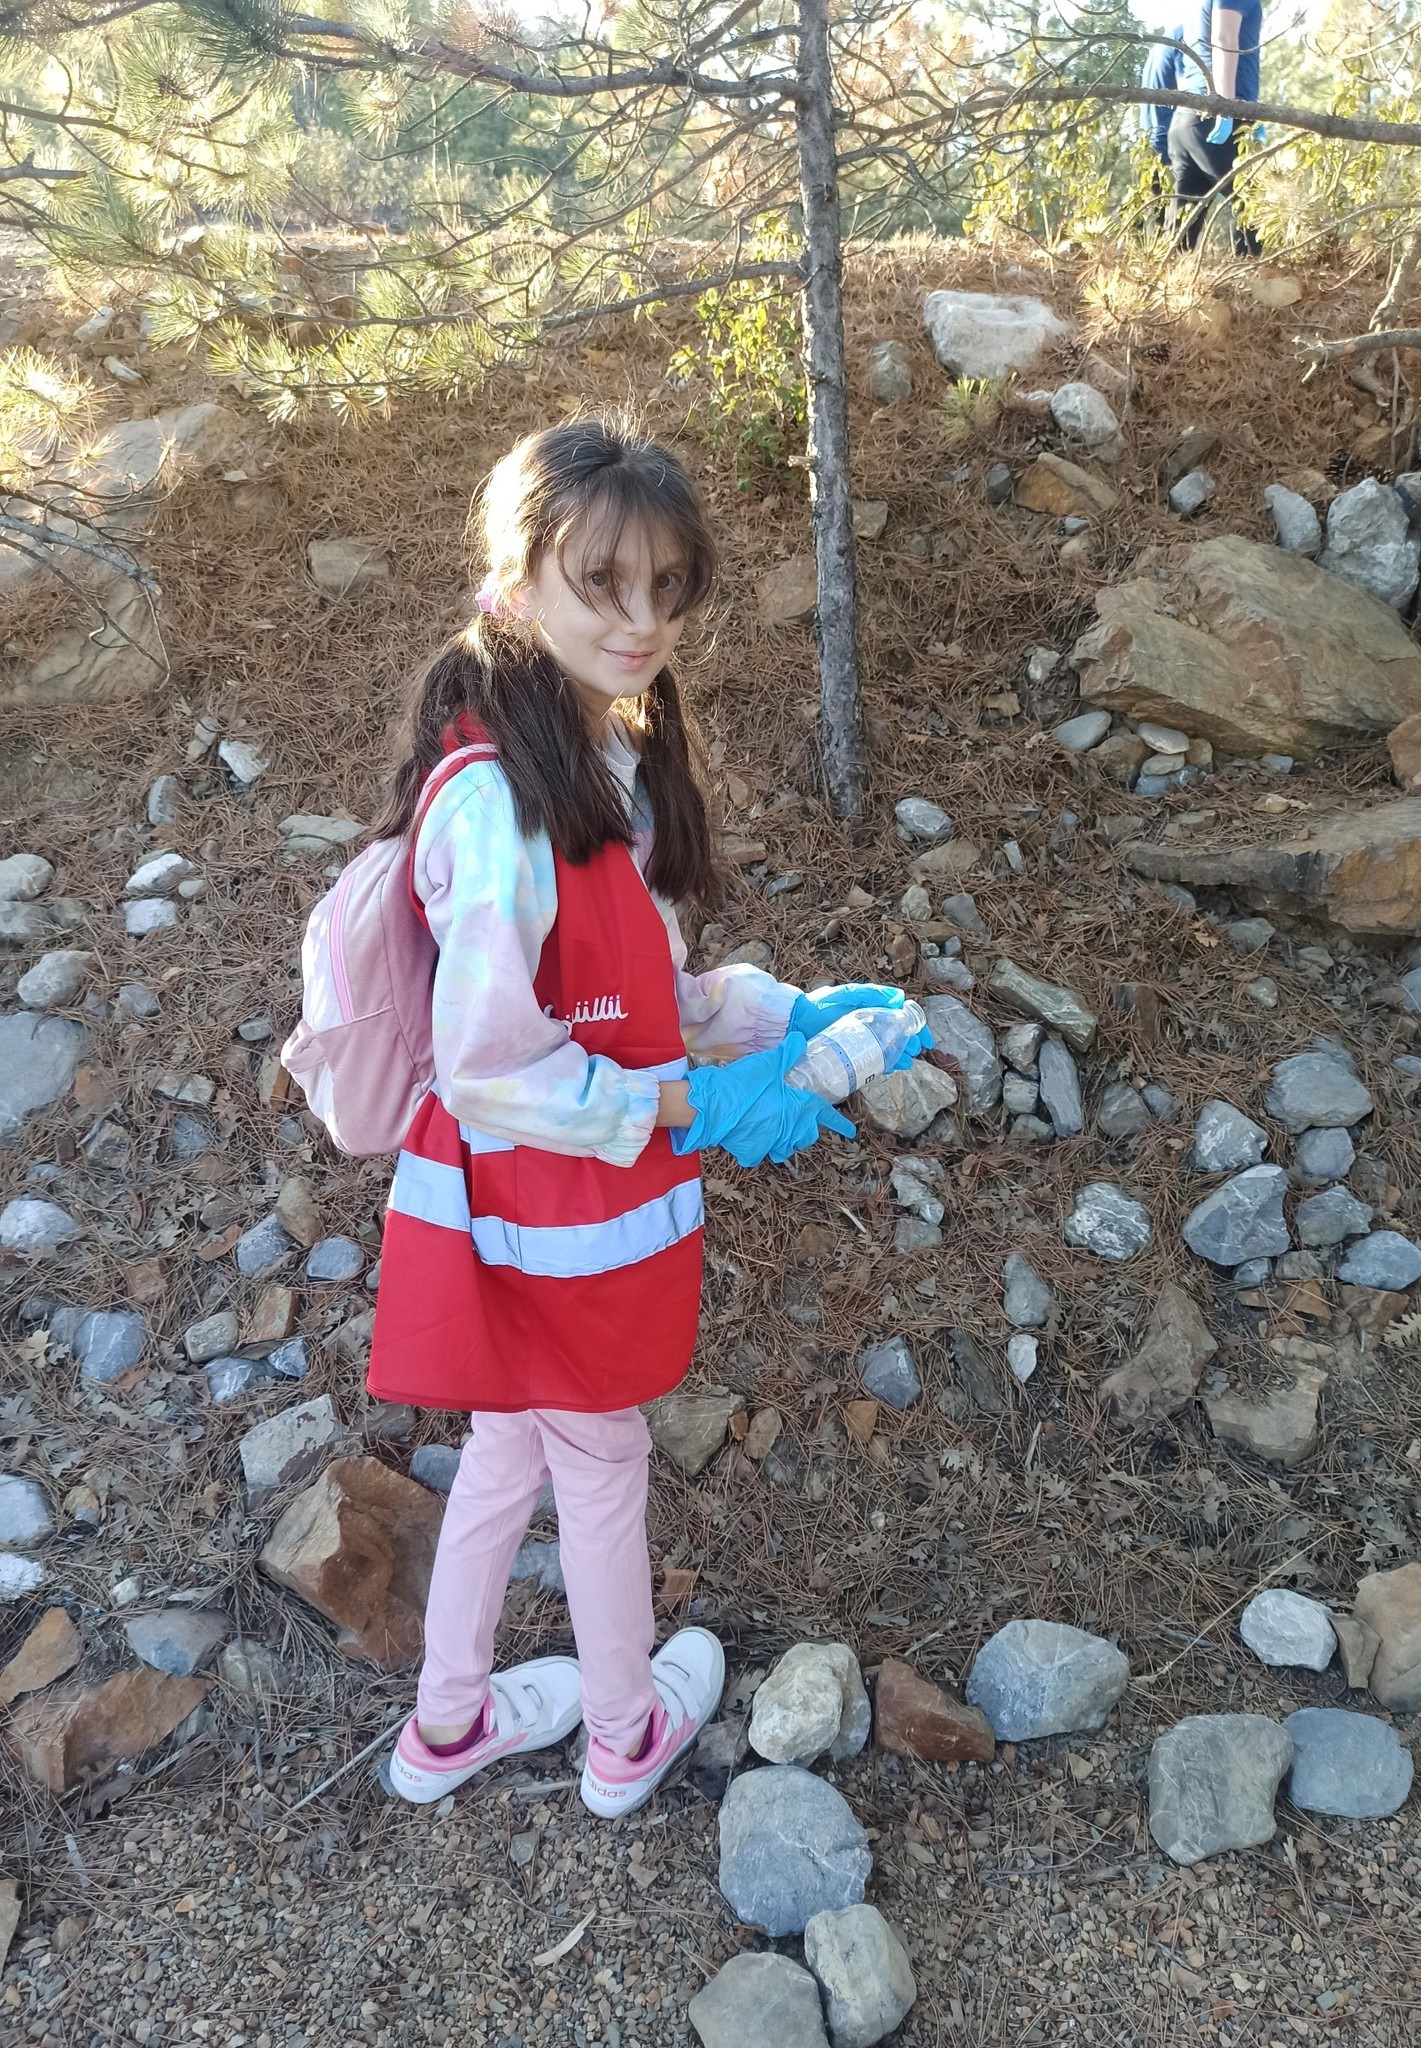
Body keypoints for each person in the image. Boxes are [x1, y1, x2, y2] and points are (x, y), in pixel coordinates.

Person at [367, 419, 907, 1817]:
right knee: (600, 1454)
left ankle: (447, 1720)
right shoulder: (498, 800)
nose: (643, 619)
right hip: (543, 1204)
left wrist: (775, 1015)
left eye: (667, 586)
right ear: (516, 578)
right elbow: (488, 1060)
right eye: (603, 581)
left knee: (510, 1443)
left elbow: (632, 994)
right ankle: (624, 1729)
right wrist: (690, 1101)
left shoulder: (595, 758)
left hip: (534, 1199)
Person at [1147, 0, 1261, 254]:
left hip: (1186, 120)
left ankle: (1169, 275)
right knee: (1258, 205)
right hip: (1217, 115)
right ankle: (1256, 274)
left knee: (1182, 228)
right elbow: (1224, 38)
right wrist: (1226, 107)